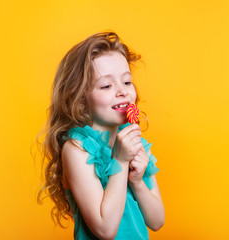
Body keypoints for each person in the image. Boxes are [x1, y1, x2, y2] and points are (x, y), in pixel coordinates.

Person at [36, 31, 164, 240]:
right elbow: (105, 230)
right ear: (80, 100)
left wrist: (138, 181)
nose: (122, 91)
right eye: (106, 85)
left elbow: (157, 221)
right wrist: (121, 161)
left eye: (126, 82)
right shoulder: (77, 149)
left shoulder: (135, 143)